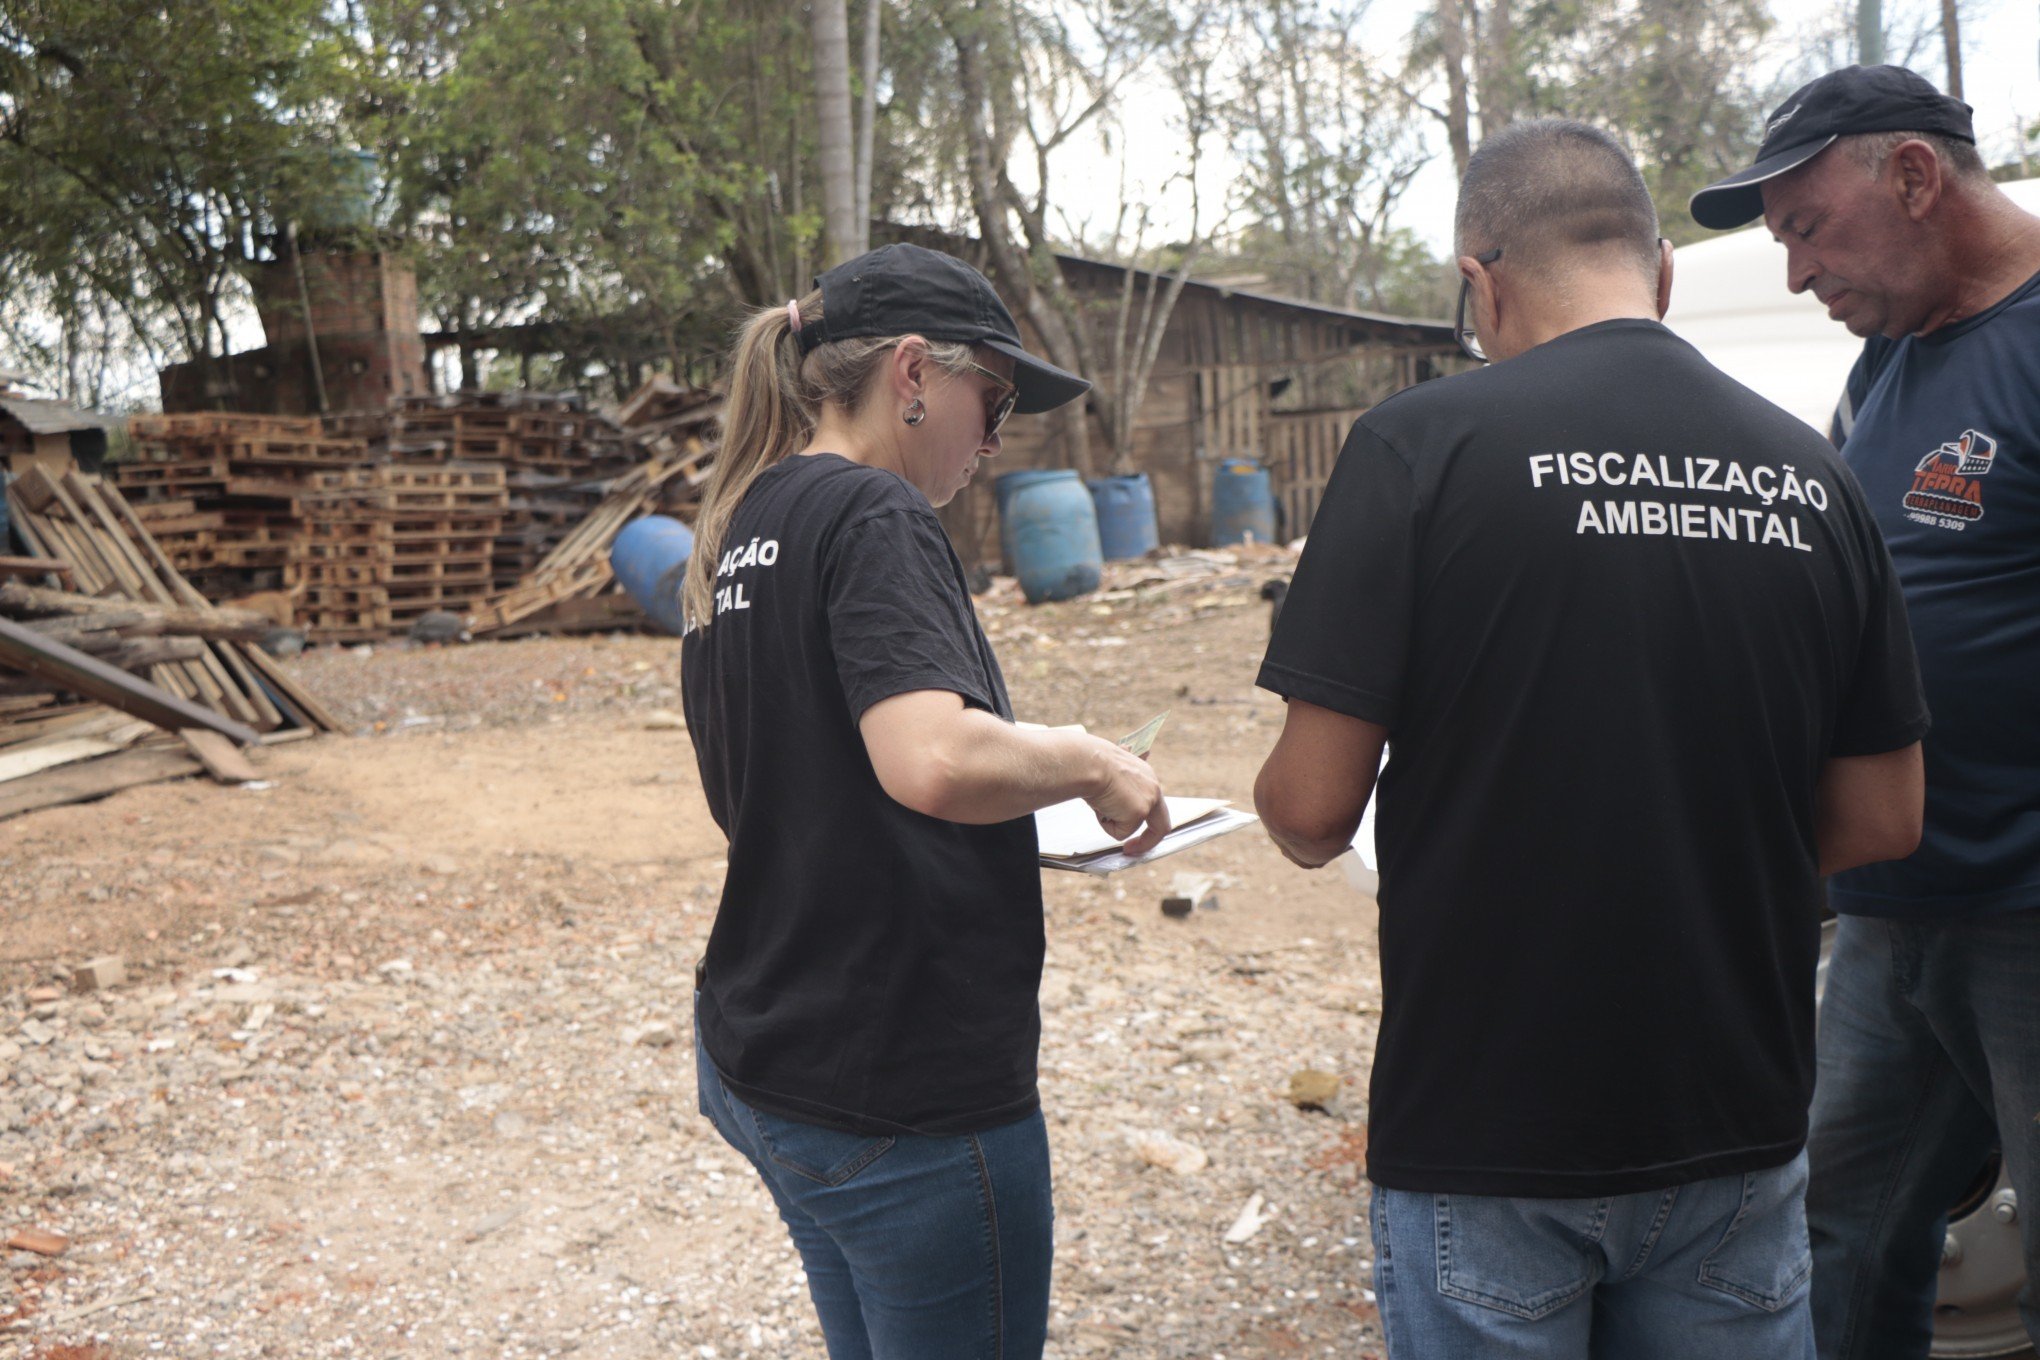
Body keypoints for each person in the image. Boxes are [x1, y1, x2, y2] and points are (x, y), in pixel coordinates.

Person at [1253, 119, 1929, 1359]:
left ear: (1481, 281)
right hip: (1737, 1110)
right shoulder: (1814, 478)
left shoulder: (1417, 449)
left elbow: (1307, 813)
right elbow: (1886, 819)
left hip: (1493, 1121)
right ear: (1660, 272)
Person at [678, 242, 1170, 1359]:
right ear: (911, 374)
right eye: (988, 402)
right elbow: (931, 762)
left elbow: (768, 784)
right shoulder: (873, 513)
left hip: (771, 1051)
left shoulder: (743, 523)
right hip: (900, 1080)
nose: (993, 445)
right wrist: (1090, 759)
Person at [1692, 64, 2040, 1360]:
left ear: (1911, 177)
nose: (1794, 276)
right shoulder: (1886, 366)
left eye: (1804, 230)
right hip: (1895, 916)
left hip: (2027, 916)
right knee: (1842, 1228)